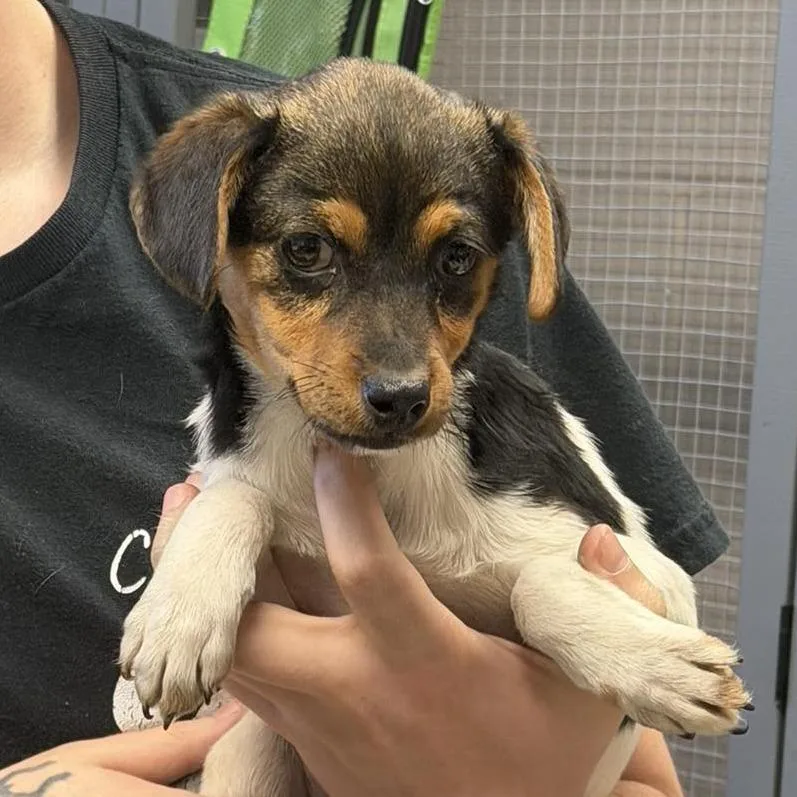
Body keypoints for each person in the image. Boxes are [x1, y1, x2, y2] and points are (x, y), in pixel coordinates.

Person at [0, 0, 729, 794]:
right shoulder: (231, 469)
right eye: (309, 252)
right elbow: (242, 491)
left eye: (453, 261)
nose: (400, 373)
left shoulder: (512, 428)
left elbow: (656, 692)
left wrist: (551, 608)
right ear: (210, 242)